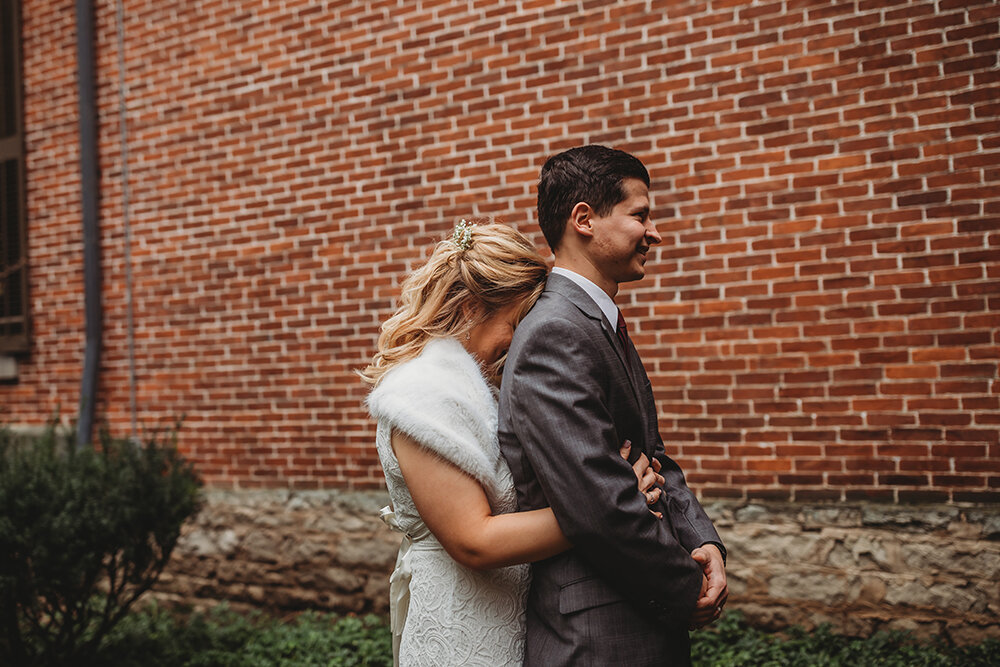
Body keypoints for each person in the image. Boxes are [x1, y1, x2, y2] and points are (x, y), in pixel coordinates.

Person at [361, 222, 665, 666]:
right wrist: (613, 505)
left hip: (514, 618)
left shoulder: (487, 386)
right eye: (514, 324)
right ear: (469, 309)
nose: (522, 341)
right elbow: (475, 540)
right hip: (461, 628)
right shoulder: (422, 395)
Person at [498, 145, 729, 666]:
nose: (655, 233)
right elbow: (599, 500)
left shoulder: (596, 322)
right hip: (599, 630)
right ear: (584, 219)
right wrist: (684, 583)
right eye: (640, 215)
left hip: (630, 608)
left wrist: (702, 539)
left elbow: (653, 455)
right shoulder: (555, 332)